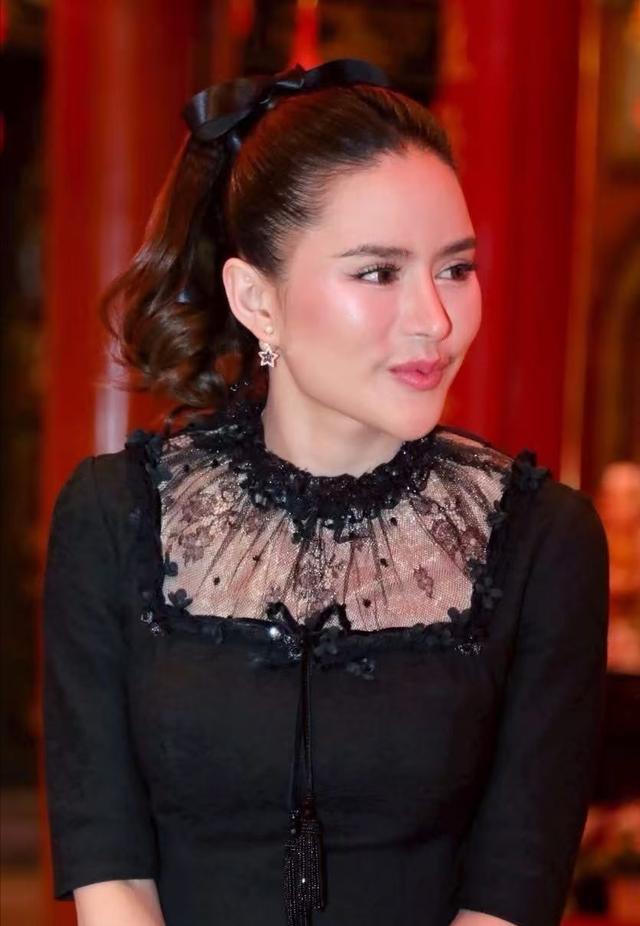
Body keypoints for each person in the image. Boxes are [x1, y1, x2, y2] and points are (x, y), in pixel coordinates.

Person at [42, 58, 610, 926]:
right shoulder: (116, 518)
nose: (435, 319)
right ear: (256, 300)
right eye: (378, 273)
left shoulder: (542, 541)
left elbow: (514, 887)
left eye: (456, 268)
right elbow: (107, 864)